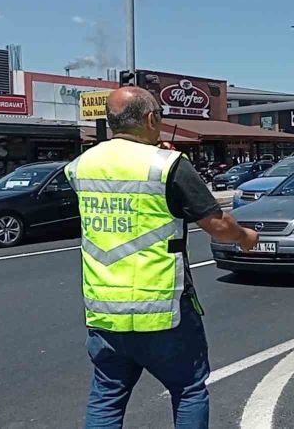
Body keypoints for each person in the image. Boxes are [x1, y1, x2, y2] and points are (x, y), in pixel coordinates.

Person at [66, 86, 259, 429]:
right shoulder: (168, 165)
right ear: (151, 118)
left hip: (104, 310)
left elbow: (124, 194)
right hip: (162, 309)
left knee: (107, 396)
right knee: (188, 390)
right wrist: (245, 237)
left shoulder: (81, 165)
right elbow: (217, 224)